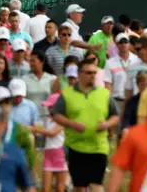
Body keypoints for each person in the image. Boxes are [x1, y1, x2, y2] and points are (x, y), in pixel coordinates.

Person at [52, 59, 120, 192]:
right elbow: (56, 115)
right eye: (88, 73)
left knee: (96, 184)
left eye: (94, 72)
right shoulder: (67, 94)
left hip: (98, 147)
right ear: (79, 74)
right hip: (75, 147)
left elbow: (115, 116)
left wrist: (106, 124)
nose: (92, 75)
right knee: (79, 185)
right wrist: (71, 123)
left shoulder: (104, 94)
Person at [103, 33, 139, 115]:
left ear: (129, 43)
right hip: (117, 101)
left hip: (134, 101)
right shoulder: (110, 63)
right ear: (116, 45)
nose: (123, 44)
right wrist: (109, 103)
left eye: (125, 41)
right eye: (120, 42)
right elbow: (108, 85)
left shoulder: (137, 60)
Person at [38, 93, 67, 192]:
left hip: (60, 154)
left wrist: (37, 130)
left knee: (60, 188)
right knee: (45, 188)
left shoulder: (63, 120)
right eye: (49, 107)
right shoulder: (48, 120)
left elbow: (52, 133)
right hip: (48, 154)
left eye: (51, 106)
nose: (49, 109)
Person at [22, 51, 56, 123]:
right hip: (29, 115)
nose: (31, 64)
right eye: (30, 61)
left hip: (47, 116)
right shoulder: (24, 79)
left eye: (33, 61)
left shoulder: (52, 79)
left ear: (42, 62)